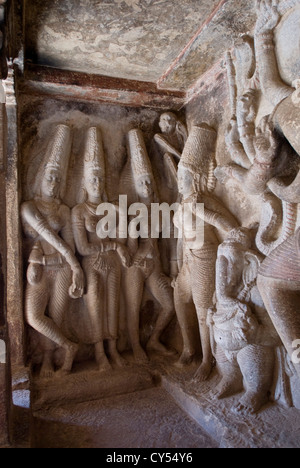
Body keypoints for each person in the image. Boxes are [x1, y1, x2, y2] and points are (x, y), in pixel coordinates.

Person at [173, 124, 238, 381]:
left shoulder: (204, 200)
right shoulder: (182, 203)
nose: (180, 181)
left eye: (184, 176)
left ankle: (207, 359)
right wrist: (177, 265)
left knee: (203, 310)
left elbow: (231, 227)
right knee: (179, 298)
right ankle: (190, 348)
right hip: (188, 260)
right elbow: (179, 239)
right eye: (179, 176)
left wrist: (205, 214)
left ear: (196, 177)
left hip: (205, 257)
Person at [21, 124, 84, 378]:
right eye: (50, 176)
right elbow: (46, 232)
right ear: (40, 176)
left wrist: (72, 264)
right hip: (42, 267)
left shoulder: (64, 211)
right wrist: (72, 260)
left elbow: (70, 244)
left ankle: (51, 360)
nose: (54, 182)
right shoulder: (28, 206)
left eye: (59, 178)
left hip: (59, 269)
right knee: (34, 316)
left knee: (56, 317)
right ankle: (69, 347)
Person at [72, 127, 130, 372]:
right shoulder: (79, 211)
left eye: (100, 178)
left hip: (113, 262)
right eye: (93, 178)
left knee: (113, 304)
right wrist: (113, 245)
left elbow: (124, 237)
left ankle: (113, 348)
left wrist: (121, 214)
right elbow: (83, 248)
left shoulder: (112, 207)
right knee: (96, 301)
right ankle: (98, 352)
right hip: (92, 264)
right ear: (85, 181)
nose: (97, 182)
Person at [124, 128, 175, 364]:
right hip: (136, 264)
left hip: (154, 266)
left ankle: (154, 339)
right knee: (133, 308)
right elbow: (131, 244)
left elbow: (167, 242)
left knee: (170, 303)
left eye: (148, 181)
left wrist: (169, 267)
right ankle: (135, 347)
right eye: (142, 182)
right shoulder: (134, 211)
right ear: (136, 184)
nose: (146, 185)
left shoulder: (159, 209)